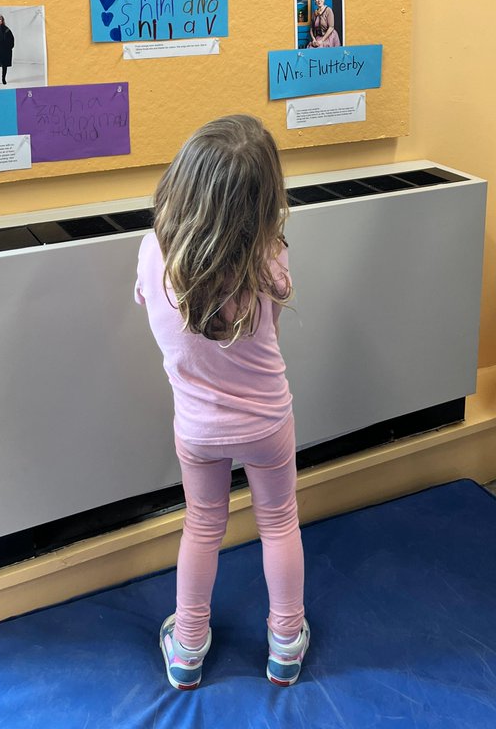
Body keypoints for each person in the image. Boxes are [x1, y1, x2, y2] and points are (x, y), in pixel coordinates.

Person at [135, 115, 309, 690]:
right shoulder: (270, 258)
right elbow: (270, 331)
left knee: (203, 525)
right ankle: (286, 643)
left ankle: (187, 648)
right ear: (264, 201)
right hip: (267, 423)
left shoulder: (152, 254)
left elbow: (152, 309)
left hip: (198, 428)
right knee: (279, 523)